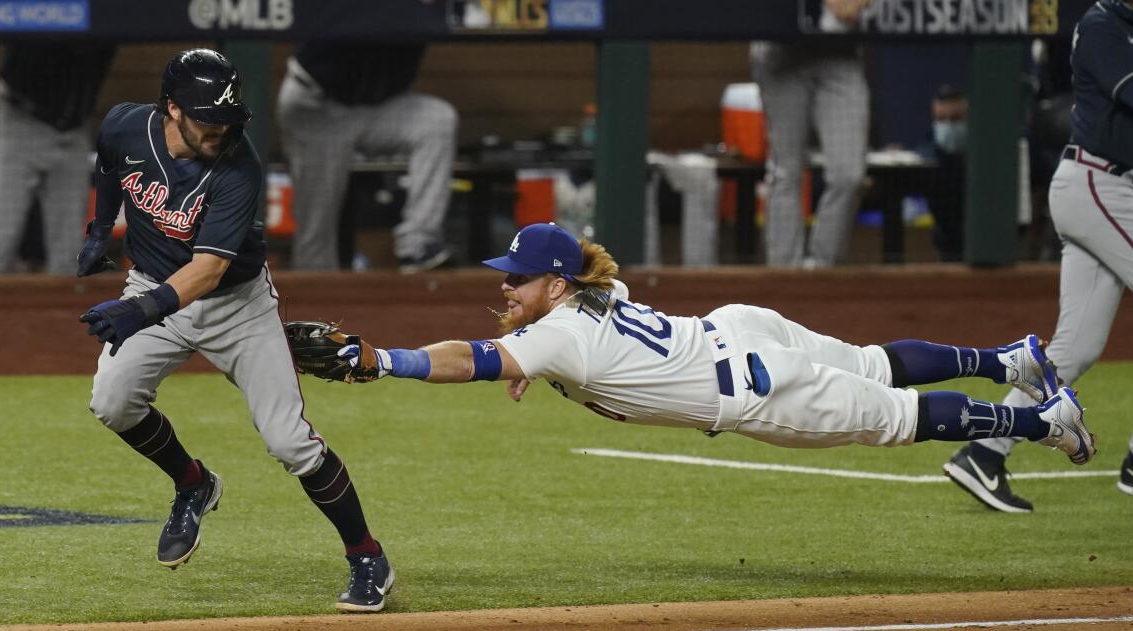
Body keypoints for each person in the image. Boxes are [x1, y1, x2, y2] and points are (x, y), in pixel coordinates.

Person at [311, 223, 1096, 464]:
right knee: (875, 360)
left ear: (554, 285)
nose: (505, 288)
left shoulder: (553, 334)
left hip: (757, 387)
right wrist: (534, 358)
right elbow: (539, 341)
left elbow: (467, 359)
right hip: (739, 326)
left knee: (898, 414)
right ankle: (1010, 358)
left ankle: (1041, 420)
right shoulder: (595, 289)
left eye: (517, 279)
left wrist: (385, 359)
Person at [76, 49, 394, 612]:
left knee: (288, 440)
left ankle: (367, 556)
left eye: (226, 118)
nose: (219, 129)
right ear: (170, 109)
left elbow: (209, 270)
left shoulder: (239, 167)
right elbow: (108, 164)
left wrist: (137, 311)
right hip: (154, 285)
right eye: (205, 118)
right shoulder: (125, 124)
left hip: (236, 306)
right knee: (112, 401)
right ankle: (193, 483)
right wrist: (101, 227)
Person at [943, 0, 1133, 513]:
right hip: (1099, 183)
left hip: (1105, 188)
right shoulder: (1102, 24)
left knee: (1075, 348)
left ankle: (984, 453)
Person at [276, 42, 456, 272]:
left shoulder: (420, 7)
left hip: (379, 105)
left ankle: (418, 245)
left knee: (436, 121)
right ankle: (316, 303)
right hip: (318, 104)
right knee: (315, 236)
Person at [0, 43, 116, 274]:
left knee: (69, 251)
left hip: (74, 129)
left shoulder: (109, 12)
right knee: (1, 239)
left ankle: (67, 311)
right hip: (21, 120)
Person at [750, 0, 870, 267]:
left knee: (848, 175)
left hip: (841, 52)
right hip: (781, 49)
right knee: (786, 171)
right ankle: (784, 275)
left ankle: (822, 272)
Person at [916, 85, 969, 262]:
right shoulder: (928, 153)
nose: (947, 126)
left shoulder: (990, 153)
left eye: (955, 119)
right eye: (940, 119)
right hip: (947, 241)